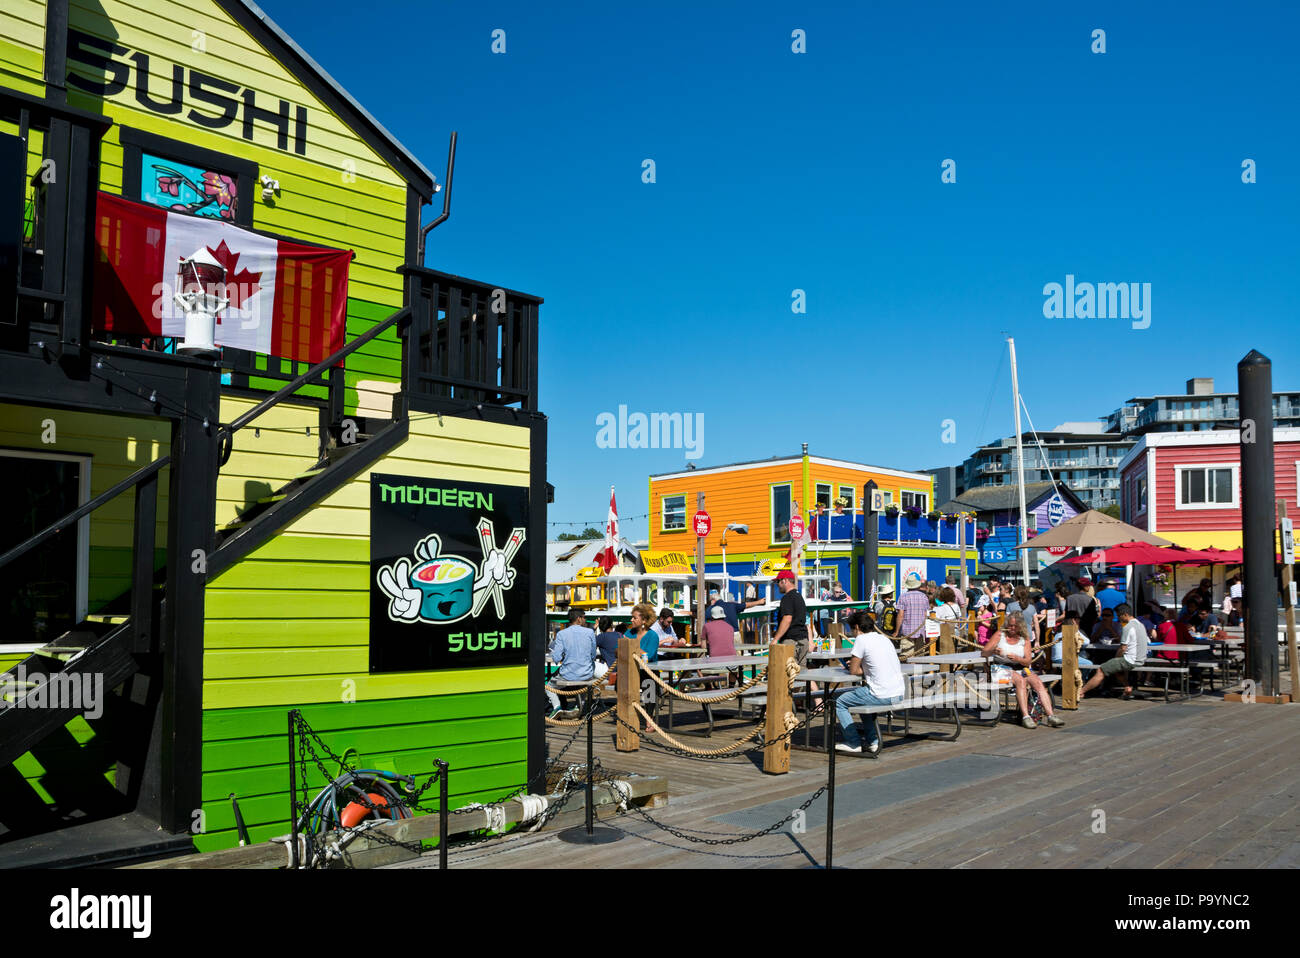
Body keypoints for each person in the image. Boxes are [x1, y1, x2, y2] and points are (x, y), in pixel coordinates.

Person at [832, 611, 906, 754]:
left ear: (857, 628)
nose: (851, 633)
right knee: (863, 699)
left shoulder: (861, 640)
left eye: (851, 629)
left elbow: (853, 671)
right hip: (899, 693)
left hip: (882, 694)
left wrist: (853, 665)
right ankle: (873, 741)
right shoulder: (884, 638)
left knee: (839, 702)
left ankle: (853, 742)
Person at [981, 615, 1065, 728]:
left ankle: (1050, 715)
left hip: (1020, 667)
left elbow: (1027, 661)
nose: (1012, 628)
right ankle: (1026, 716)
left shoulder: (1024, 639)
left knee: (1038, 682)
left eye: (1015, 626)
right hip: (1001, 668)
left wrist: (1017, 659)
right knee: (1020, 681)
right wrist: (993, 651)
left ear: (1020, 627)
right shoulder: (1000, 635)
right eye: (1010, 625)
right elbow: (984, 652)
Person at [1081, 603, 1146, 698]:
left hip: (1130, 660)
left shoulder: (1128, 627)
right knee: (1114, 668)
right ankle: (1127, 687)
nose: (1119, 618)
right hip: (1140, 659)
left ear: (1125, 614)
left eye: (1119, 615)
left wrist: (1115, 659)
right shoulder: (1140, 625)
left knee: (1101, 670)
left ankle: (1081, 691)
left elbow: (1123, 648)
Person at [547, 608, 599, 717]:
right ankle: (579, 706)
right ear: (579, 619)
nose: (585, 620)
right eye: (584, 617)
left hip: (568, 674)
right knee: (586, 681)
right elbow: (593, 655)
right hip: (586, 674)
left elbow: (556, 658)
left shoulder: (561, 634)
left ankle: (557, 707)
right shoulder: (590, 632)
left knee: (549, 687)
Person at [772, 570, 810, 666]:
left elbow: (787, 619)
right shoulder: (799, 596)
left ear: (784, 581)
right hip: (803, 640)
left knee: (788, 674)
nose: (777, 585)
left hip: (792, 641)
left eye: (778, 582)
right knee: (803, 674)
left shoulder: (787, 598)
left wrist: (776, 639)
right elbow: (805, 622)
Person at [893, 572, 930, 657]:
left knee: (907, 657)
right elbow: (925, 614)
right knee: (919, 657)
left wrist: (897, 631)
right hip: (920, 631)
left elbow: (900, 615)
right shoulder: (924, 597)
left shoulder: (903, 597)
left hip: (907, 631)